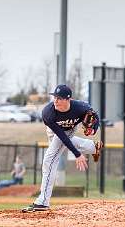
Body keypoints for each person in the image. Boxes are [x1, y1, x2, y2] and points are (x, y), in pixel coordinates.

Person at [22, 84, 102, 212]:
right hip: (53, 130)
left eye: (59, 98)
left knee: (49, 161)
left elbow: (95, 117)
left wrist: (93, 129)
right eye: (55, 97)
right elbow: (61, 137)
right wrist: (77, 154)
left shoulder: (81, 107)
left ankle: (43, 201)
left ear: (68, 99)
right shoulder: (48, 113)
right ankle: (92, 147)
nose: (56, 101)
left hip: (69, 129)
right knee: (57, 147)